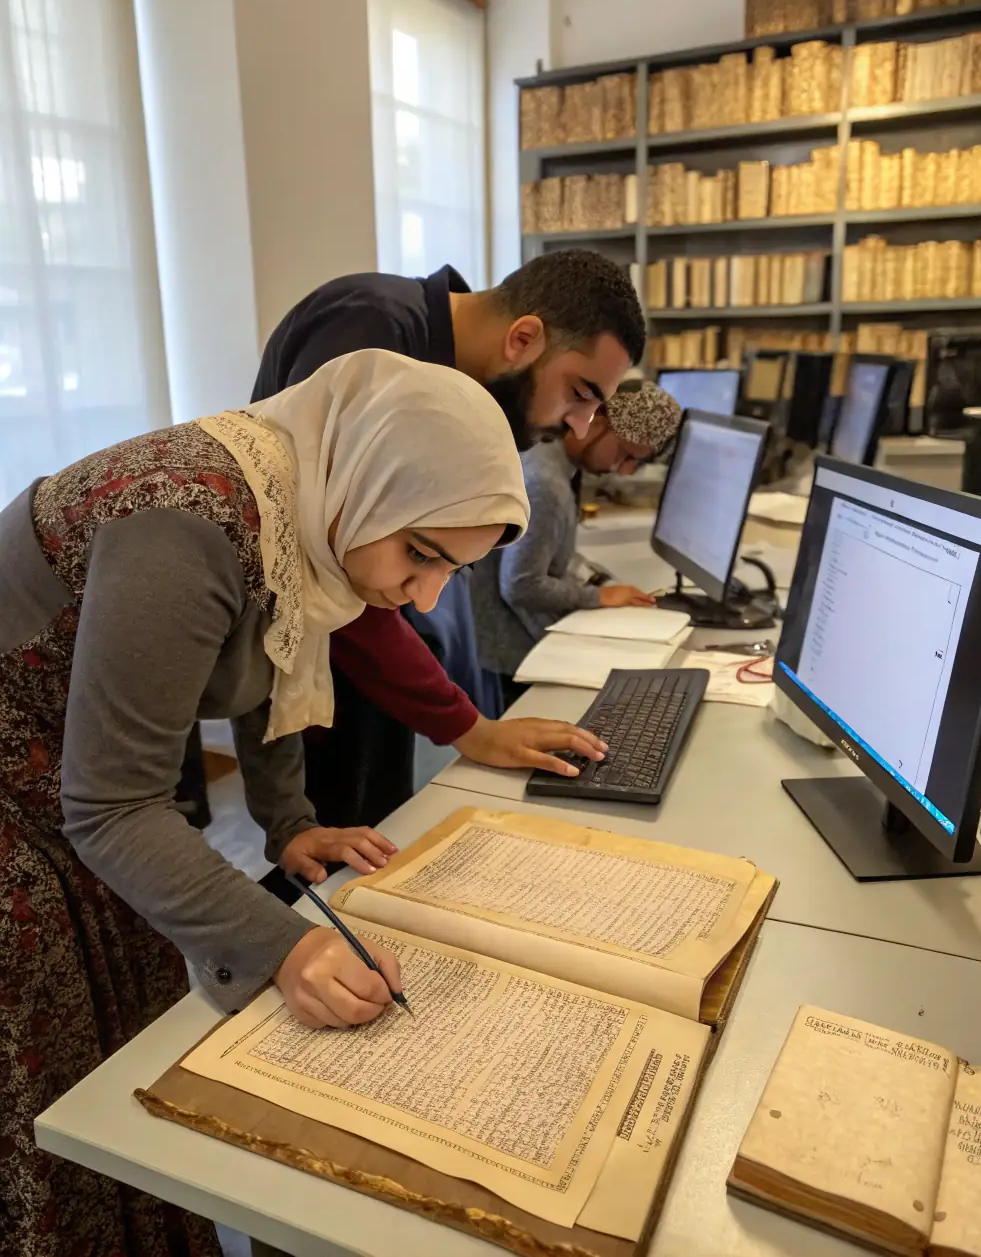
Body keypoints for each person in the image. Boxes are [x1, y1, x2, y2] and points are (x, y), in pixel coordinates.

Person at [0, 351, 541, 1257]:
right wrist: (289, 944)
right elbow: (112, 810)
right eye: (420, 555)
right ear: (371, 474)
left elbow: (271, 655)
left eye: (454, 571)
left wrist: (288, 824)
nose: (423, 596)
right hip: (25, 812)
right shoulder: (184, 518)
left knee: (133, 1031)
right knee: (62, 1086)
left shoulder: (298, 499)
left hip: (74, 786)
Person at [252, 250, 645, 834]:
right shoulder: (372, 333)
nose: (580, 425)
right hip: (329, 654)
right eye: (579, 393)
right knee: (337, 846)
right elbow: (336, 561)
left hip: (367, 646)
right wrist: (470, 727)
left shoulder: (452, 369)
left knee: (381, 830)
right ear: (524, 338)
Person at [471, 381, 682, 706]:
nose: (624, 471)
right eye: (624, 453)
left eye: (636, 463)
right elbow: (520, 585)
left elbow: (550, 553)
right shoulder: (546, 483)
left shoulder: (548, 459)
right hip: (512, 659)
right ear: (597, 419)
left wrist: (602, 584)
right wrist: (598, 595)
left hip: (509, 646)